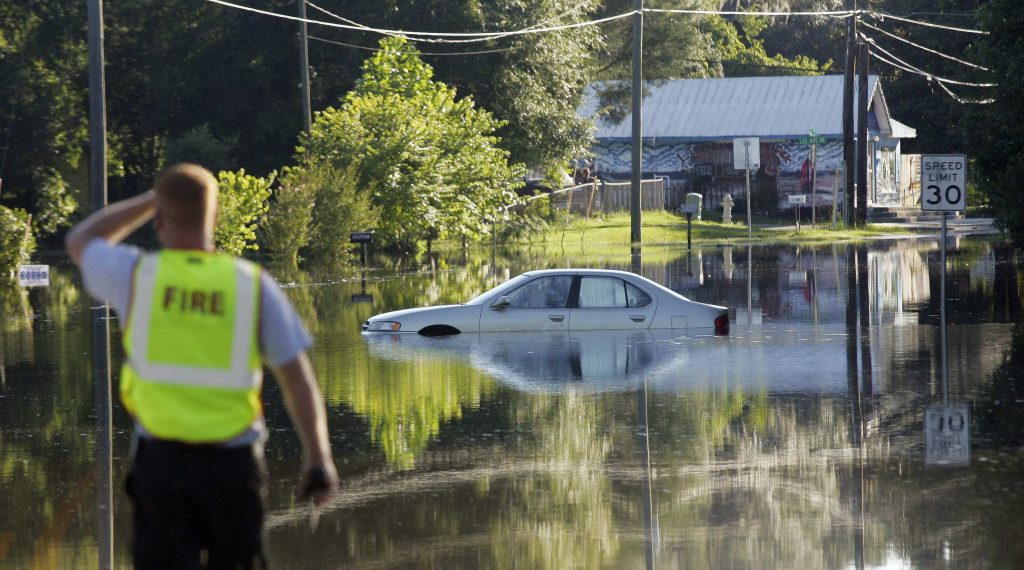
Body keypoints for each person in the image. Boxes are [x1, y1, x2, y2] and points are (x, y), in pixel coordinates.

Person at [66, 163, 339, 569]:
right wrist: (319, 460)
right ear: (215, 217)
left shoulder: (136, 275)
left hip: (160, 467)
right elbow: (298, 379)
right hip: (232, 467)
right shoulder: (250, 283)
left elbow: (81, 239)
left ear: (159, 217)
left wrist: (151, 199)